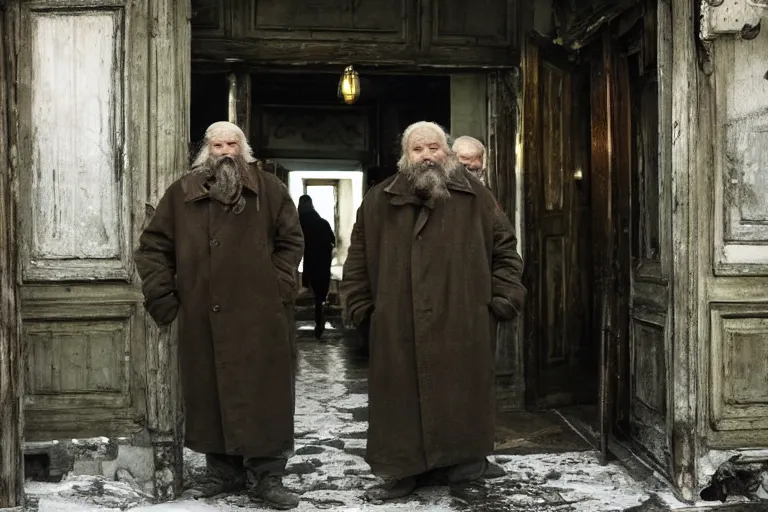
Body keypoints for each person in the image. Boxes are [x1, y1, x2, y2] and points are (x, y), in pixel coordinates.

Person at [341, 121, 526, 501]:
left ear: (447, 152)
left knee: (461, 395)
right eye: (417, 150)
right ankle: (403, 470)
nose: (427, 156)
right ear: (405, 157)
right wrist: (360, 307)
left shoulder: (475, 195)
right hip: (397, 322)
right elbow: (356, 259)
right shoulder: (379, 200)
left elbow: (505, 249)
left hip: (463, 317)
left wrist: (502, 299)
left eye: (434, 148)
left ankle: (462, 465)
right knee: (400, 400)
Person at [134, 121, 303, 509]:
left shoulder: (270, 190)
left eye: (232, 144)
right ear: (205, 151)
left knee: (264, 394)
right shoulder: (182, 193)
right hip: (203, 314)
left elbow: (292, 241)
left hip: (260, 317)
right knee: (211, 391)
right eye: (217, 145)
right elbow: (153, 246)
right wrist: (164, 296)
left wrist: (276, 287)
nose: (225, 151)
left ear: (243, 150)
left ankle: (267, 476)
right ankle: (222, 473)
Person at [297, 194, 335, 339]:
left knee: (312, 292)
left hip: (310, 261)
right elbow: (332, 241)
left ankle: (319, 320)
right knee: (320, 296)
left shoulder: (299, 222)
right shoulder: (322, 222)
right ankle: (320, 320)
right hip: (323, 262)